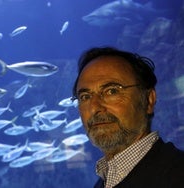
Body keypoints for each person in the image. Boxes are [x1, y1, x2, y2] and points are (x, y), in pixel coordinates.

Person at [72, 47, 184, 188]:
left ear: (149, 100)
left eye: (111, 91)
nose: (95, 107)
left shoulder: (176, 174)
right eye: (85, 97)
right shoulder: (105, 181)